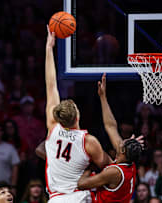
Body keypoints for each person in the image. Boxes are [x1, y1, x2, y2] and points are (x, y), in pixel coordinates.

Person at [38, 27, 112, 202]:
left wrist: (49, 48)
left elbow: (51, 85)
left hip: (55, 199)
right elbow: (109, 166)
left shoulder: (52, 127)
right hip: (78, 197)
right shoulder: (88, 141)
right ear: (77, 117)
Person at [77, 73, 143, 203]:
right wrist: (103, 97)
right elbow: (111, 126)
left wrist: (90, 168)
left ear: (123, 151)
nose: (120, 141)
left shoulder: (114, 172)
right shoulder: (129, 162)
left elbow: (81, 184)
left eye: (123, 142)